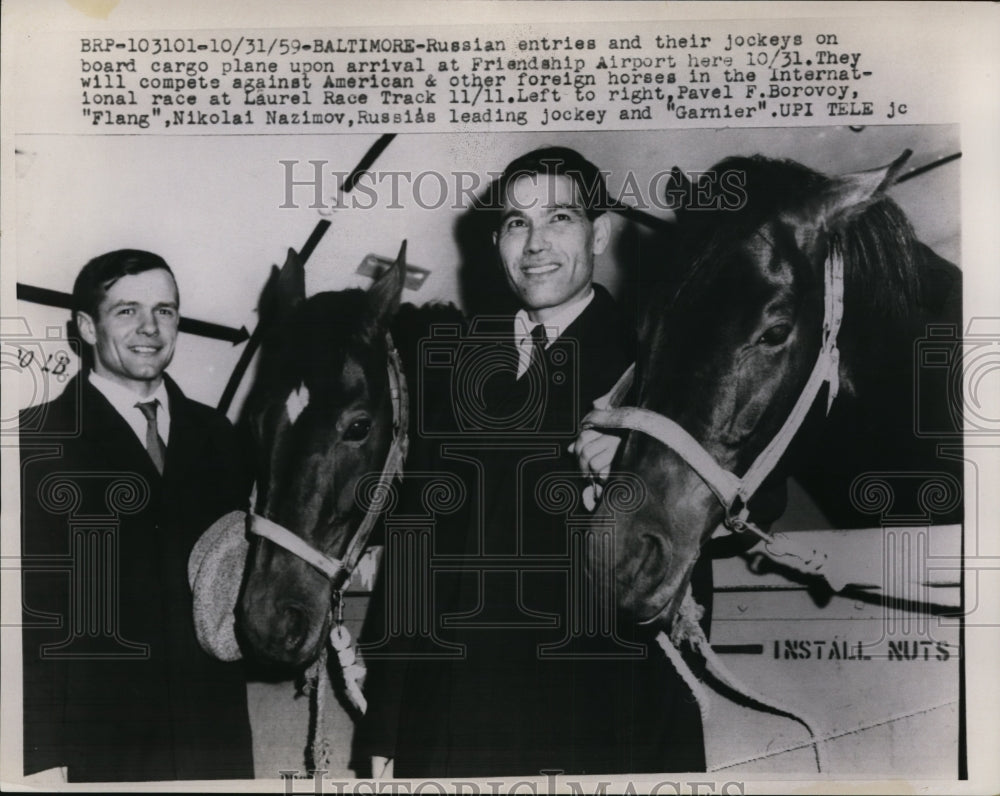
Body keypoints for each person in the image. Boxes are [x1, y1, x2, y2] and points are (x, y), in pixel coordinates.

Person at [359, 148, 708, 778]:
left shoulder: (660, 367)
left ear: (599, 232)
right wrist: (387, 719)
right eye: (517, 224)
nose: (535, 244)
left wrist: (636, 479)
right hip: (450, 725)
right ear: (496, 242)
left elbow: (746, 503)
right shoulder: (459, 365)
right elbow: (415, 550)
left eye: (559, 218)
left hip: (599, 724)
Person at [19, 250, 254, 782]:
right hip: (97, 741)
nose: (150, 328)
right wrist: (39, 755)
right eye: (126, 311)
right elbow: (28, 614)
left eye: (165, 311)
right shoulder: (35, 442)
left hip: (212, 735)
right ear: (85, 325)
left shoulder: (219, 436)